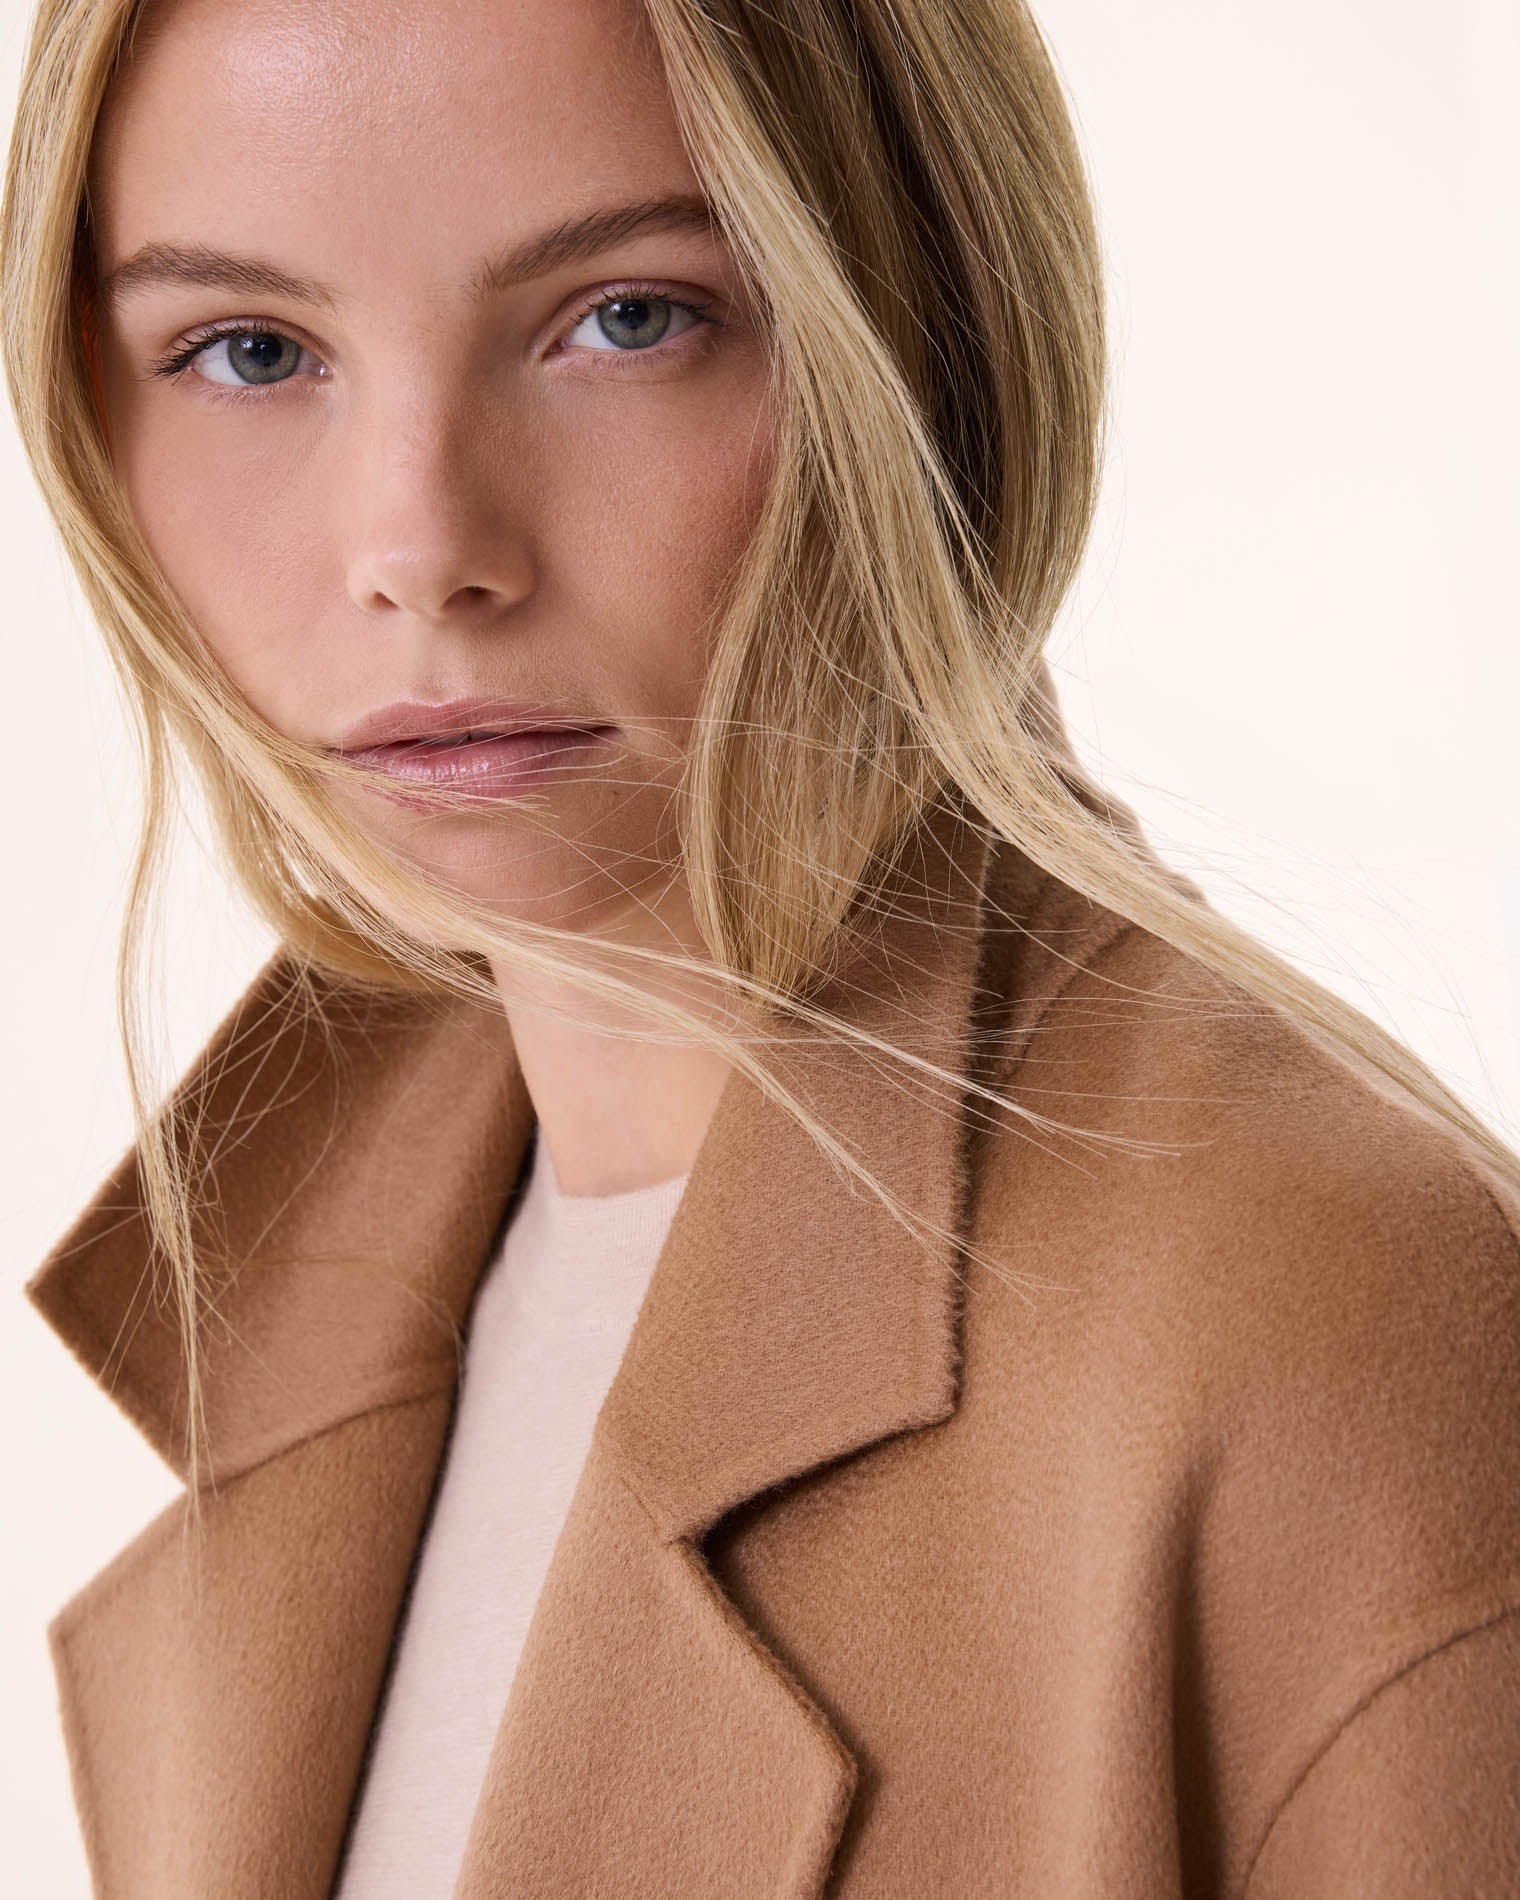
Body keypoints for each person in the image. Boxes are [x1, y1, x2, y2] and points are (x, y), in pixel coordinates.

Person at [6, 0, 1518, 1894]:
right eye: (248, 350)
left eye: (631, 318)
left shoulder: (1333, 1335)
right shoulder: (324, 1262)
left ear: (940, 334)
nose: (418, 543)